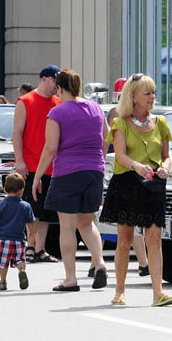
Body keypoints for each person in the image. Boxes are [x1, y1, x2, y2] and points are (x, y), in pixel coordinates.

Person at [99, 73, 172, 306]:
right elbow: (120, 156)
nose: (152, 97)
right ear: (133, 97)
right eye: (147, 93)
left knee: (154, 239)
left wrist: (164, 168)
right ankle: (120, 291)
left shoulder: (161, 123)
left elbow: (167, 157)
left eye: (153, 92)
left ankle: (158, 293)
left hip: (153, 185)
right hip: (127, 185)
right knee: (124, 240)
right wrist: (137, 165)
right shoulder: (120, 123)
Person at [32, 69, 108, 292]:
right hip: (94, 171)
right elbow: (105, 139)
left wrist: (37, 176)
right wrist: (98, 161)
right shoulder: (96, 109)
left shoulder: (57, 112)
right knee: (87, 222)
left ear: (59, 88)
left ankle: (70, 278)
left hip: (68, 172)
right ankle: (100, 262)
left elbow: (50, 148)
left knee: (67, 227)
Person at [87, 106, 150, 279]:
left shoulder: (121, 131)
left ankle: (96, 263)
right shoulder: (136, 132)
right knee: (130, 224)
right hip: (135, 180)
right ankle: (144, 263)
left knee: (107, 224)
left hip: (123, 180)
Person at [13, 64, 62, 263]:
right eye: (55, 81)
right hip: (32, 164)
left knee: (47, 211)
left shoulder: (58, 102)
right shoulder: (25, 101)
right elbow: (16, 133)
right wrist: (20, 161)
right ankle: (30, 247)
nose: (57, 86)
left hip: (53, 165)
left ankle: (40, 249)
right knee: (32, 210)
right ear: (44, 79)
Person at [0, 173, 34, 291]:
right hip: (19, 240)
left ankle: (3, 282)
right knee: (19, 259)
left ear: (5, 189)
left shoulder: (0, 205)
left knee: (3, 262)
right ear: (21, 191)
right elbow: (30, 222)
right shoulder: (26, 206)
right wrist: (32, 235)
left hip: (4, 239)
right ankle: (21, 270)